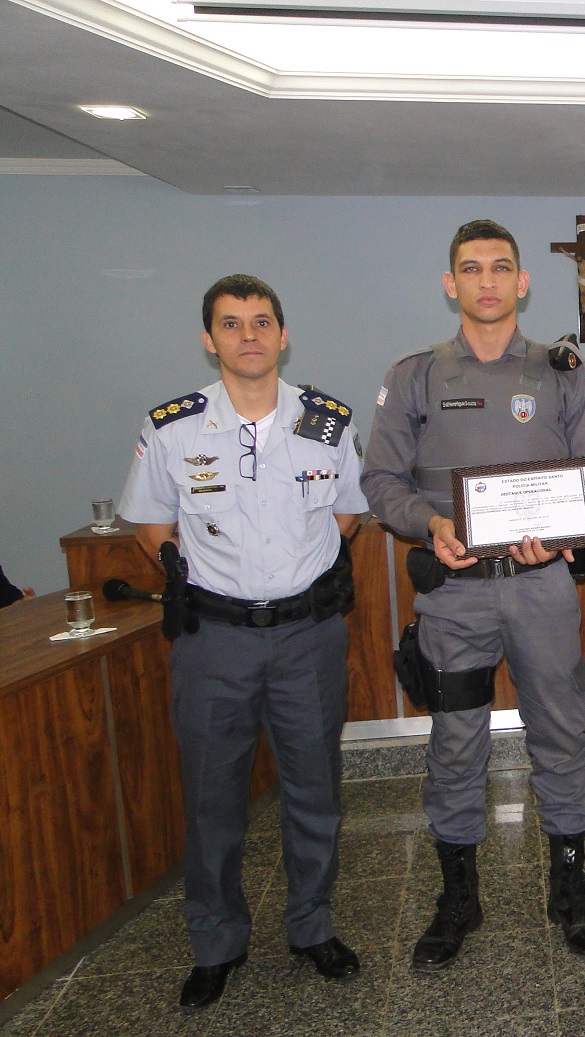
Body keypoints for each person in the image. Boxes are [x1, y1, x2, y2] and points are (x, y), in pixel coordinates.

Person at [361, 219, 585, 969]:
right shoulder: (415, 375)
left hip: (541, 587)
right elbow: (381, 483)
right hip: (455, 596)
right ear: (450, 284)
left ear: (521, 282)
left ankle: (569, 889)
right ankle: (457, 897)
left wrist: (569, 532)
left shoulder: (561, 370)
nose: (486, 281)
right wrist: (430, 520)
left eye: (500, 268)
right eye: (470, 269)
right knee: (453, 744)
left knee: (562, 734)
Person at [117, 274, 367, 1009]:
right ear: (210, 338)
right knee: (211, 800)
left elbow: (349, 513)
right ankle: (217, 942)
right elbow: (150, 525)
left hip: (307, 636)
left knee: (315, 792)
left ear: (283, 335)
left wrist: (296, 571)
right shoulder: (172, 427)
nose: (248, 335)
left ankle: (311, 927)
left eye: (262, 322)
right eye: (231, 324)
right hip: (215, 640)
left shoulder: (327, 421)